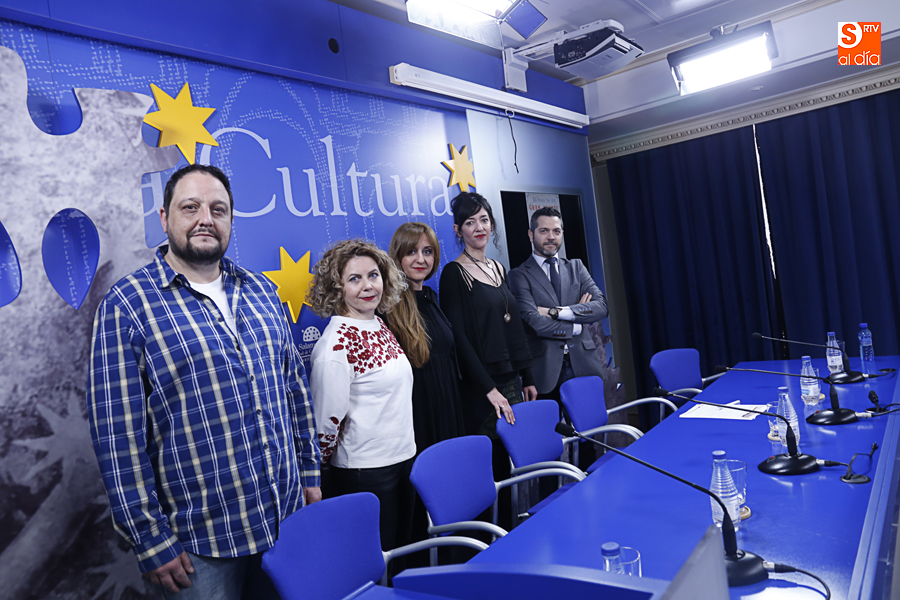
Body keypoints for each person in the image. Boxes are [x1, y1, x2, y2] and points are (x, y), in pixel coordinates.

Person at [86, 164, 321, 600]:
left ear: (231, 219)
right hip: (201, 547)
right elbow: (118, 438)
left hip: (285, 522)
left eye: (218, 209)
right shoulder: (128, 305)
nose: (205, 219)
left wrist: (309, 472)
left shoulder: (261, 292)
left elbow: (295, 392)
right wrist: (150, 539)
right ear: (164, 218)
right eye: (190, 207)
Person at [307, 239, 416, 552]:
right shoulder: (335, 347)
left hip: (402, 459)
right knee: (375, 564)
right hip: (365, 474)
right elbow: (325, 427)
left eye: (373, 275)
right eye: (354, 278)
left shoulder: (377, 324)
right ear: (337, 287)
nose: (368, 286)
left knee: (399, 555)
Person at [439, 192, 537, 528]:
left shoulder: (497, 267)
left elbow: (514, 328)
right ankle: (492, 538)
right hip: (483, 389)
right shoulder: (454, 274)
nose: (478, 227)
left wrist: (528, 377)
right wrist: (488, 389)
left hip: (511, 380)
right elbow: (460, 339)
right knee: (492, 468)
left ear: (491, 224)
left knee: (512, 464)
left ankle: (512, 530)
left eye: (483, 219)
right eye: (470, 222)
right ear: (458, 230)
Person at [384, 222, 465, 564]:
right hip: (419, 416)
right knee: (424, 502)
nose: (421, 259)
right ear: (398, 257)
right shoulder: (389, 307)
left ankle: (456, 559)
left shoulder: (432, 297)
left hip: (450, 407)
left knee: (453, 496)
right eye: (412, 252)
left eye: (427, 251)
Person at [508, 206, 608, 402]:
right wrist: (577, 324)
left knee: (590, 430)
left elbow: (602, 306)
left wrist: (557, 312)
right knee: (550, 431)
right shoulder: (518, 275)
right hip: (544, 371)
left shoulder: (576, 267)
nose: (551, 237)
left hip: (584, 365)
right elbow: (534, 321)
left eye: (556, 231)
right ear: (531, 234)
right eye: (543, 231)